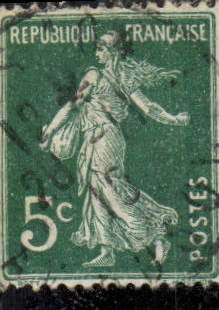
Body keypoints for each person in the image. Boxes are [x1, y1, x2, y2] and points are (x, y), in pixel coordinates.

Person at [38, 31, 189, 268]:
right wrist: (174, 119)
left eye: (101, 49)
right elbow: (149, 108)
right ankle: (107, 249)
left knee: (109, 190)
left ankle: (157, 234)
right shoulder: (125, 78)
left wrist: (49, 132)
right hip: (102, 138)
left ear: (113, 52)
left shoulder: (94, 75)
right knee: (97, 191)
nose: (97, 54)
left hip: (103, 139)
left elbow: (72, 106)